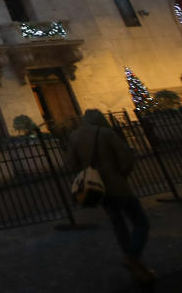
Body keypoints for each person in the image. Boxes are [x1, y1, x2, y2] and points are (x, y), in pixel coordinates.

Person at [65, 109, 154, 285]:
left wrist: (87, 173)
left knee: (118, 223)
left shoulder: (74, 136)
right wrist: (121, 174)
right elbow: (126, 157)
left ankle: (133, 262)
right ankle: (132, 257)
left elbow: (70, 163)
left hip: (96, 188)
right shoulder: (105, 132)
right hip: (117, 185)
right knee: (140, 222)